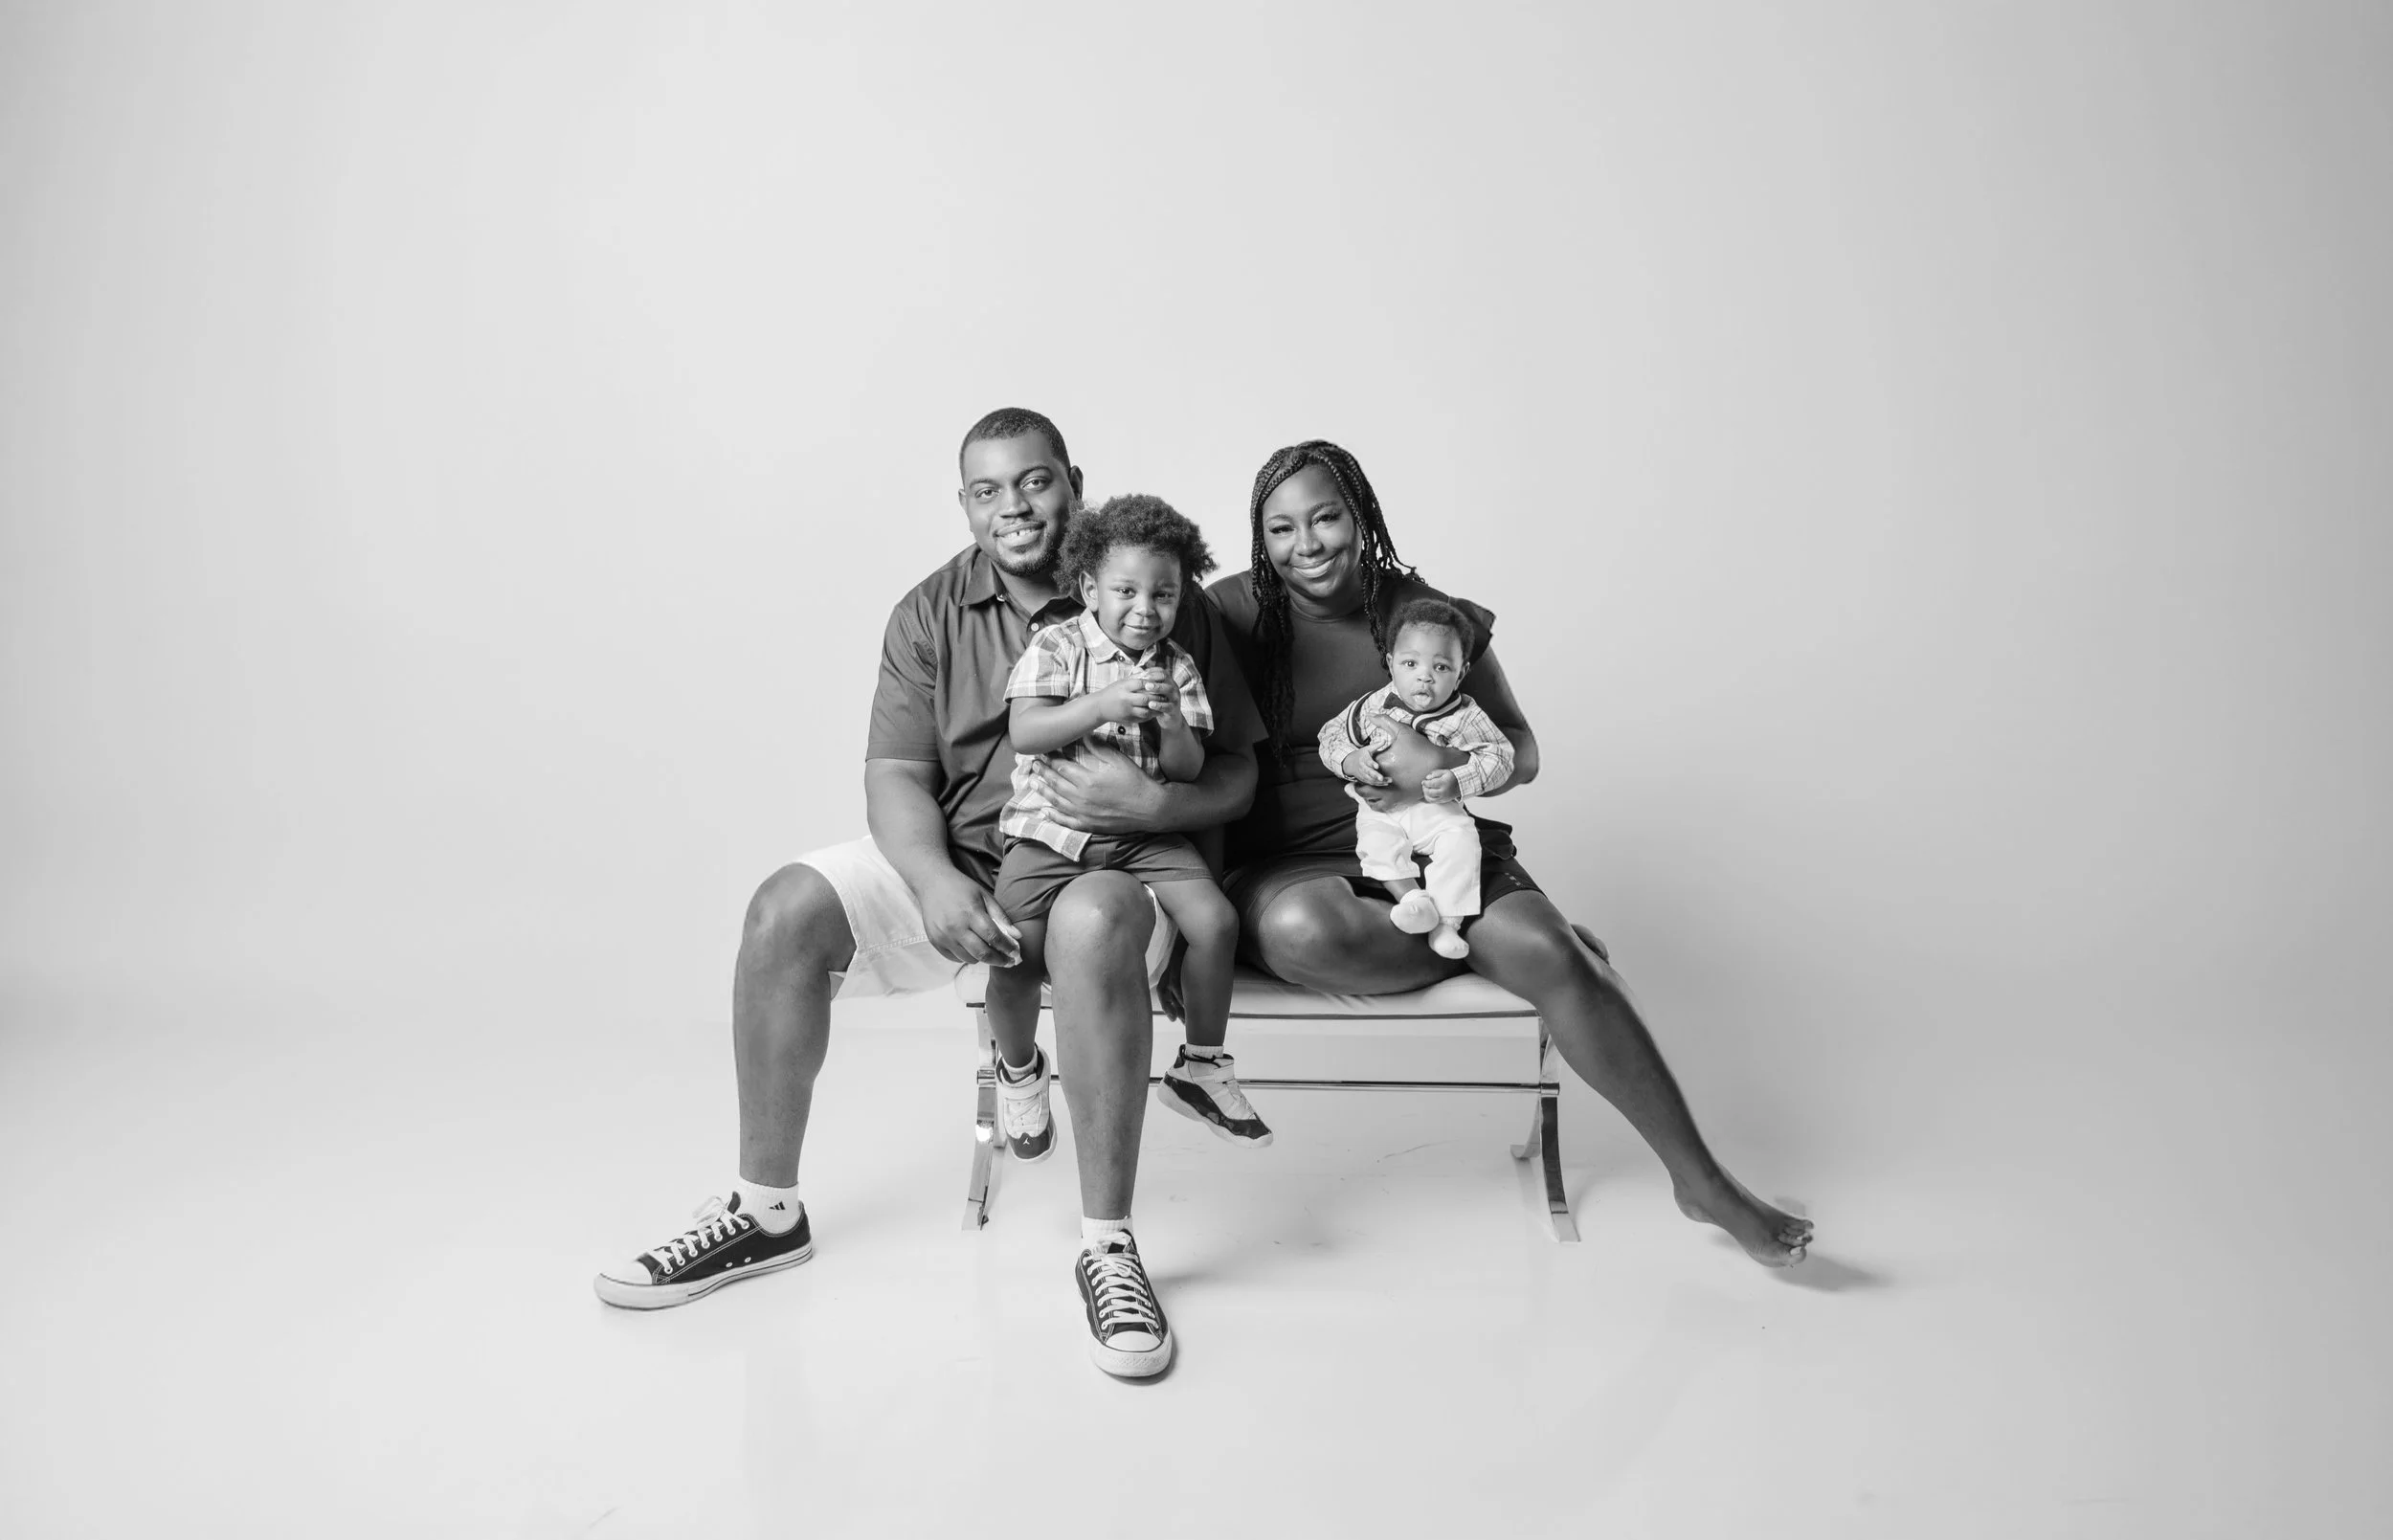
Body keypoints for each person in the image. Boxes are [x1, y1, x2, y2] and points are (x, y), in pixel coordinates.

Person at [594, 410, 1265, 1381]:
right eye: (987, 491)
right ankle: (765, 1211)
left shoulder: (1156, 590)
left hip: (1110, 863)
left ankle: (1108, 1246)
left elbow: (1238, 771)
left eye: (1034, 481)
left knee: (1093, 920)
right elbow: (895, 775)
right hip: (963, 858)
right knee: (784, 909)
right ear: (964, 504)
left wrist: (1158, 801)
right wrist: (934, 878)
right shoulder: (929, 609)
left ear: (1072, 481)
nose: (1013, 507)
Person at [1210, 439, 1814, 1267]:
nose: (1306, 544)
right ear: (1260, 536)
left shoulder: (1422, 613)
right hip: (1290, 860)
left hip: (1441, 840)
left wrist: (1442, 764)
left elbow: (1521, 749)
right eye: (1282, 528)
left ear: (1361, 516)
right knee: (1305, 933)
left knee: (1540, 946)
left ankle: (1701, 1180)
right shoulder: (1229, 612)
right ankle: (1536, 960)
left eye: (1326, 518)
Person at [995, 494, 1270, 1150]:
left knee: (1216, 922)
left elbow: (1186, 769)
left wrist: (1173, 723)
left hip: (1144, 837)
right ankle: (1018, 1067)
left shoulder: (1177, 666)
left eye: (1164, 594)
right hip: (1051, 831)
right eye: (1126, 591)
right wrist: (1101, 704)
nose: (1146, 609)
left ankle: (1202, 1065)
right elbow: (1026, 731)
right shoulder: (1057, 645)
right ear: (1090, 588)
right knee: (1013, 952)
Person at [1316, 595, 1515, 960]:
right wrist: (1351, 760)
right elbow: (1330, 736)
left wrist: (1459, 780)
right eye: (1411, 663)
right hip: (1382, 808)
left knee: (1462, 842)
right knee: (1376, 844)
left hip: (1435, 809)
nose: (1425, 676)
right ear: (1391, 663)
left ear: (1461, 673)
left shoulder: (1466, 717)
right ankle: (1411, 899)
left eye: (1441, 667)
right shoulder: (1373, 705)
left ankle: (1447, 924)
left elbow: (1501, 757)